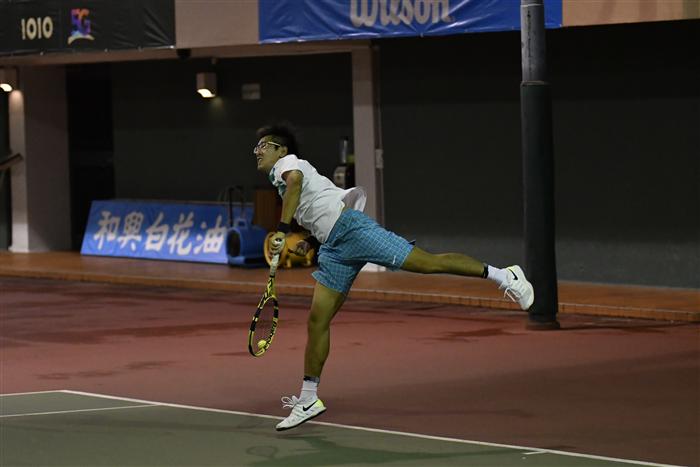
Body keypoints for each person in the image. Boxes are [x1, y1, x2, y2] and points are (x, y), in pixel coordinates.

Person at [253, 123, 534, 431]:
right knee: (317, 320)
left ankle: (504, 275)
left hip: (352, 231)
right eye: (257, 148)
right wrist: (311, 240)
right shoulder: (284, 181)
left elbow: (296, 183)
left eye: (264, 146)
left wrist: (282, 231)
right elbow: (321, 207)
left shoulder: (289, 165)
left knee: (427, 264)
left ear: (281, 150)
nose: (258, 152)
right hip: (333, 248)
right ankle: (309, 398)